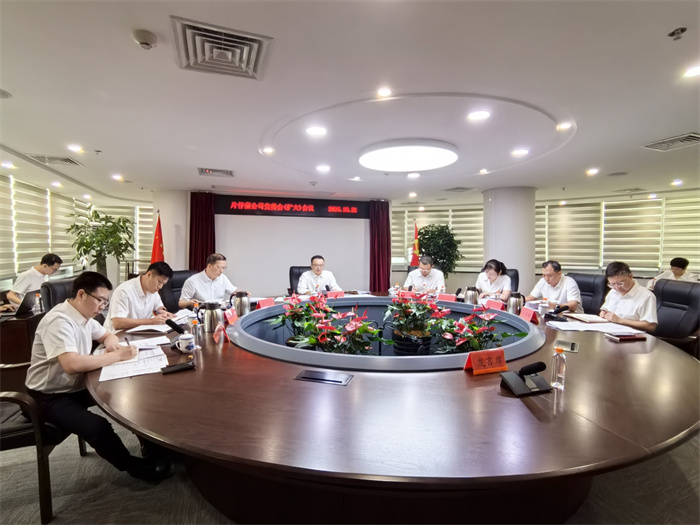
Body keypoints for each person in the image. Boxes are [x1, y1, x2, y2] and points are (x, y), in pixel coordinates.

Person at [24, 271, 170, 483]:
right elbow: (72, 364)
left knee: (134, 398)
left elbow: (107, 335)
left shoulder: (84, 317)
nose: (103, 306)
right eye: (100, 300)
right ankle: (133, 466)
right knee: (97, 427)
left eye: (105, 302)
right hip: (48, 396)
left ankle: (151, 445)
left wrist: (111, 344)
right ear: (81, 294)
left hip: (76, 386)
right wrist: (117, 356)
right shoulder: (59, 321)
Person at [104, 261, 175, 332]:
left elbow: (158, 307)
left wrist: (162, 312)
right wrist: (151, 321)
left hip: (139, 333)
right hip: (118, 335)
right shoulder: (124, 291)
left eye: (163, 284)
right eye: (159, 282)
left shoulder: (152, 290)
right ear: (149, 274)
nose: (160, 287)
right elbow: (118, 323)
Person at [600, 261, 657, 332]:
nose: (616, 287)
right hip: (609, 331)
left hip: (633, 335)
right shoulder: (613, 292)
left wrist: (620, 320)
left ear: (630, 276)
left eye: (619, 283)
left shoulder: (646, 296)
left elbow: (651, 326)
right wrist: (603, 313)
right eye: (612, 284)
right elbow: (605, 309)